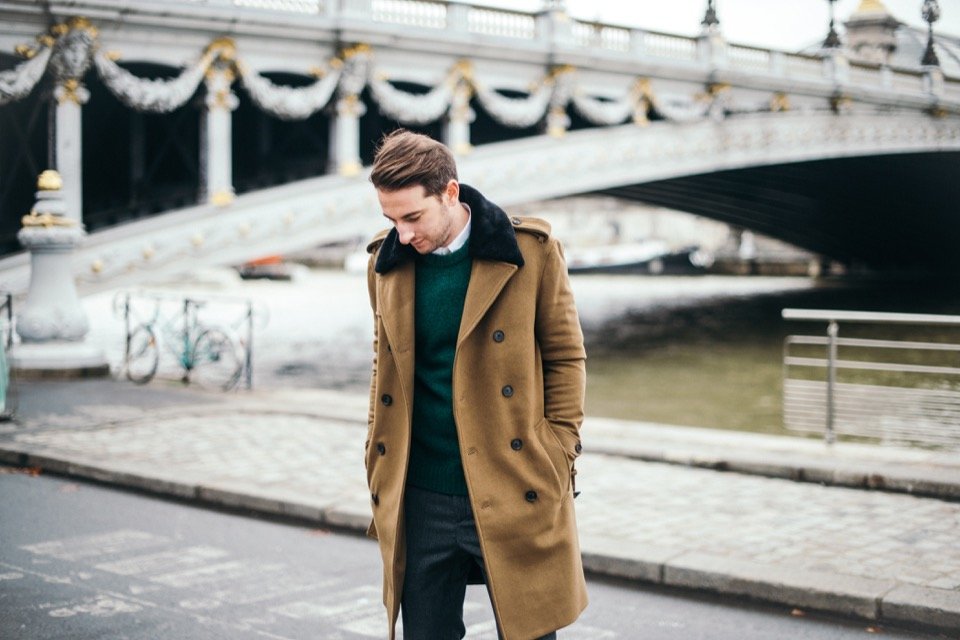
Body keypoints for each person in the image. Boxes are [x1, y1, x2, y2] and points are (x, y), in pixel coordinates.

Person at [364, 129, 587, 640]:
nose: (402, 233)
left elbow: (566, 356)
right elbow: (385, 366)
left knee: (530, 632)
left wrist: (559, 451)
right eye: (390, 219)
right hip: (420, 493)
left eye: (412, 217)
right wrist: (376, 458)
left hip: (514, 480)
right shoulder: (385, 263)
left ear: (450, 193)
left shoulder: (530, 251)